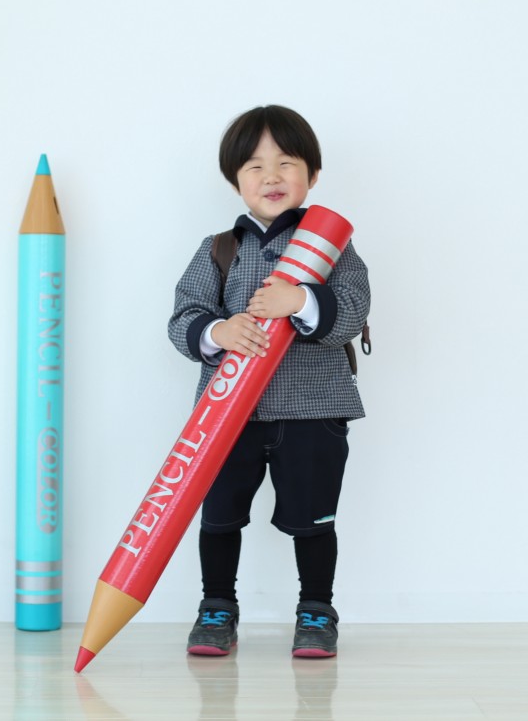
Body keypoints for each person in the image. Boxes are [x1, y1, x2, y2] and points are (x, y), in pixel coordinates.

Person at [167, 105, 370, 658]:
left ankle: (317, 610)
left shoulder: (332, 247)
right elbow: (183, 318)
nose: (271, 176)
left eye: (287, 163)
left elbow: (353, 309)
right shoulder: (219, 249)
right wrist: (219, 331)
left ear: (313, 175)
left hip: (313, 412)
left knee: (314, 519)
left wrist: (300, 300)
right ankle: (216, 607)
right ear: (236, 180)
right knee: (218, 515)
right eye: (255, 166)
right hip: (227, 416)